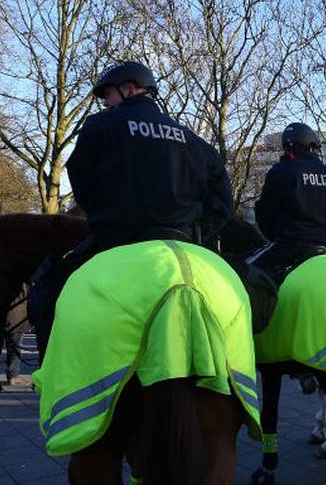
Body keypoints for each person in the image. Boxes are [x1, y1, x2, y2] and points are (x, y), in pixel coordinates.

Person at [29, 61, 233, 333]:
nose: (105, 103)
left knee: (48, 293)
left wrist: (105, 218)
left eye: (107, 95)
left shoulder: (100, 126)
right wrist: (195, 231)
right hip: (185, 242)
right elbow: (222, 203)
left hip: (117, 240)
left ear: (129, 89)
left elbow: (84, 183)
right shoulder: (194, 141)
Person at [253, 122, 326, 273]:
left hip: (289, 250)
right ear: (311, 145)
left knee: (246, 273)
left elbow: (265, 213)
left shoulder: (280, 171)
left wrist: (276, 236)